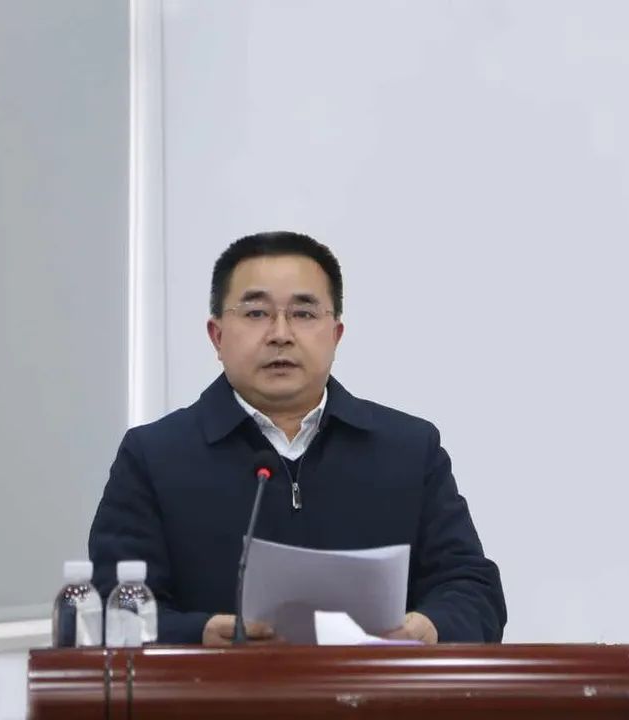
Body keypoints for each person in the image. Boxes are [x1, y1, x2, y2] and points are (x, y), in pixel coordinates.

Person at [88, 231, 506, 645]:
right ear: (217, 336)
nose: (280, 334)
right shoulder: (155, 456)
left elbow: (473, 590)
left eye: (304, 314)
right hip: (216, 686)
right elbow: (110, 608)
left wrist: (429, 627)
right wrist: (200, 634)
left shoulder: (409, 449)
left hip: (374, 687)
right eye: (256, 313)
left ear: (336, 335)